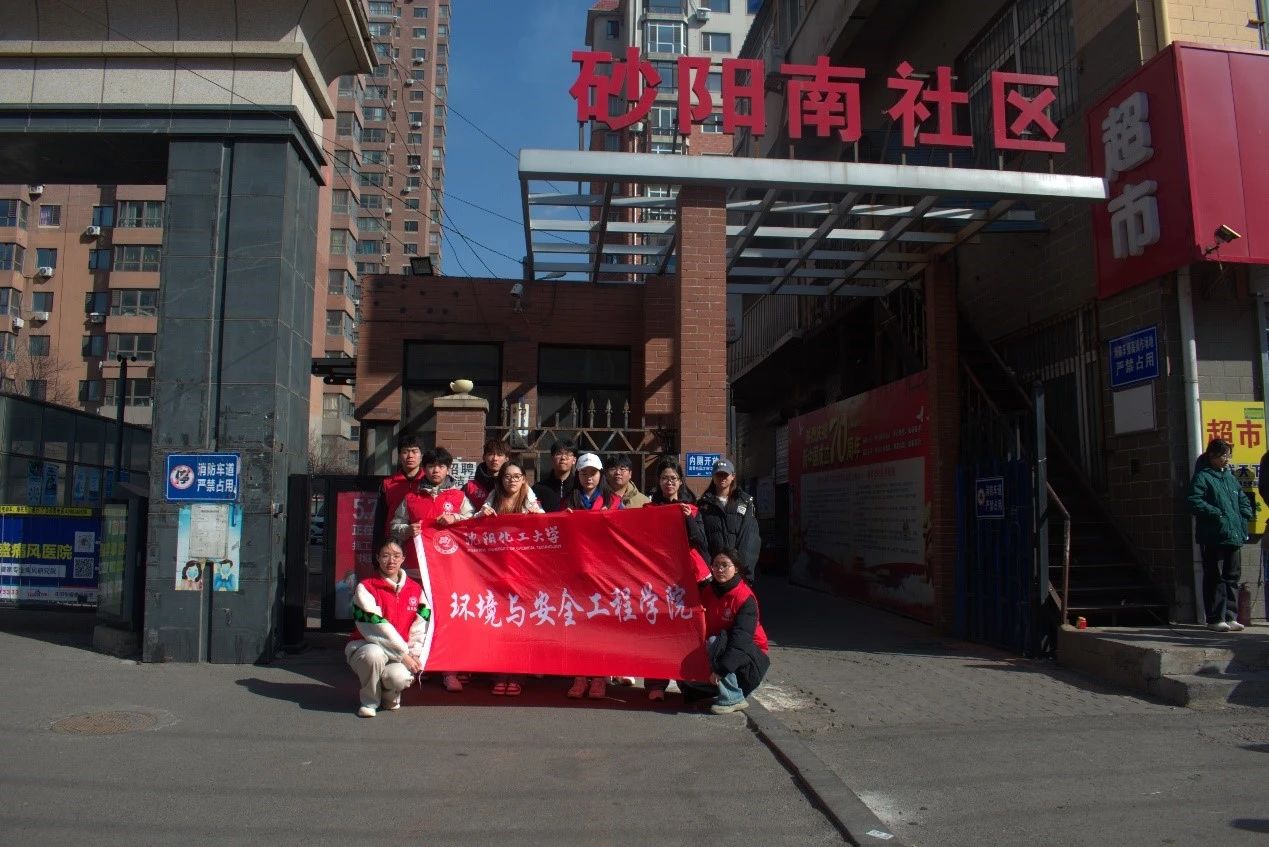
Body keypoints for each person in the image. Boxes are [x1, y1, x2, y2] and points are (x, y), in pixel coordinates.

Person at [391, 446, 474, 690]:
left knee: (448, 617)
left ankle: (449, 670)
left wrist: (456, 519)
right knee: (419, 618)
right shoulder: (411, 498)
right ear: (424, 469)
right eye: (431, 466)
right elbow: (394, 526)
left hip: (450, 569)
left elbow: (475, 522)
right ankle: (420, 664)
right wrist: (407, 530)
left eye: (441, 466)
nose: (436, 470)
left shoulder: (458, 497)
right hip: (416, 568)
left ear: (448, 469)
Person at [645, 459, 708, 701]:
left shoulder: (692, 509)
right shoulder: (650, 509)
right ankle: (656, 683)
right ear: (658, 482)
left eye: (673, 478)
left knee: (686, 631)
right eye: (664, 478)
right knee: (658, 630)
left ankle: (688, 683)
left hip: (686, 579)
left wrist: (689, 519)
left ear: (680, 482)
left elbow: (701, 541)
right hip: (659, 578)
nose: (669, 483)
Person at [479, 461, 542, 696]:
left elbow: (546, 523)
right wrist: (482, 515)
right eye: (507, 476)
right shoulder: (493, 497)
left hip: (522, 574)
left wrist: (537, 517)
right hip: (496, 572)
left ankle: (517, 675)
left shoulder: (530, 499)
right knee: (499, 625)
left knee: (519, 625)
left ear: (524, 479)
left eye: (517, 476)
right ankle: (499, 673)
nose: (512, 480)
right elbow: (474, 521)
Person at [345, 540, 428, 718]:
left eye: (396, 556)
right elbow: (375, 626)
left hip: (401, 653)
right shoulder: (365, 587)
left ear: (403, 558)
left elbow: (421, 625)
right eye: (385, 556)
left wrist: (414, 653)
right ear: (377, 558)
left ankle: (389, 696)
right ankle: (369, 701)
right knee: (374, 654)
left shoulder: (416, 589)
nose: (391, 561)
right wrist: (403, 655)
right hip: (364, 646)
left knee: (399, 677)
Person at [684, 548, 770, 714]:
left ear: (736, 568)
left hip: (750, 658)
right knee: (688, 683)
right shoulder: (709, 591)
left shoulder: (744, 598)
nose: (720, 569)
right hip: (722, 651)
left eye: (725, 565)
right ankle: (717, 689)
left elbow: (740, 642)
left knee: (714, 642)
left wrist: (721, 670)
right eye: (716, 565)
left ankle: (733, 697)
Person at [565, 453, 620, 700]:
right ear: (578, 475)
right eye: (584, 473)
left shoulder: (614, 502)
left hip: (604, 574)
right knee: (578, 627)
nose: (589, 477)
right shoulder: (569, 501)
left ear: (601, 475)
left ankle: (599, 677)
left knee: (600, 626)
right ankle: (579, 676)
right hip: (577, 573)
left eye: (593, 473)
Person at [1187, 439, 1252, 632]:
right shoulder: (1203, 477)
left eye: (1229, 455)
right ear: (1212, 456)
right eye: (1224, 455)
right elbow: (1194, 500)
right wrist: (1217, 514)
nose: (1227, 459)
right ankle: (1215, 618)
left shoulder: (1230, 478)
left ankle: (1231, 616)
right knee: (1214, 576)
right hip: (1213, 535)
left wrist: (1244, 515)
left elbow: (1242, 500)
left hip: (1234, 534)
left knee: (1232, 576)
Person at [697, 458, 762, 584]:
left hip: (738, 573)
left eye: (725, 474)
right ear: (713, 477)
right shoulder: (703, 505)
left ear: (733, 476)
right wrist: (708, 569)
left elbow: (750, 539)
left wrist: (742, 571)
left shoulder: (745, 502)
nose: (722, 478)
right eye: (718, 474)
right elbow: (701, 540)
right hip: (713, 572)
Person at [373, 434, 425, 553]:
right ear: (399, 456)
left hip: (422, 541)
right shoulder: (388, 483)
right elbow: (380, 519)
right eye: (405, 452)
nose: (410, 456)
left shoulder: (429, 482)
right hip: (394, 542)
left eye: (414, 451)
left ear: (421, 455)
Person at [465, 438, 540, 510]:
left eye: (499, 455)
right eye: (490, 454)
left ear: (507, 459)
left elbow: (535, 509)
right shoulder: (470, 487)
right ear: (484, 457)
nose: (495, 458)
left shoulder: (518, 485)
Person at [532, 439, 578, 513]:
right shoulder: (538, 489)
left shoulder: (579, 487)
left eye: (568, 454)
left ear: (574, 460)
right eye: (559, 454)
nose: (563, 458)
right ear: (552, 458)